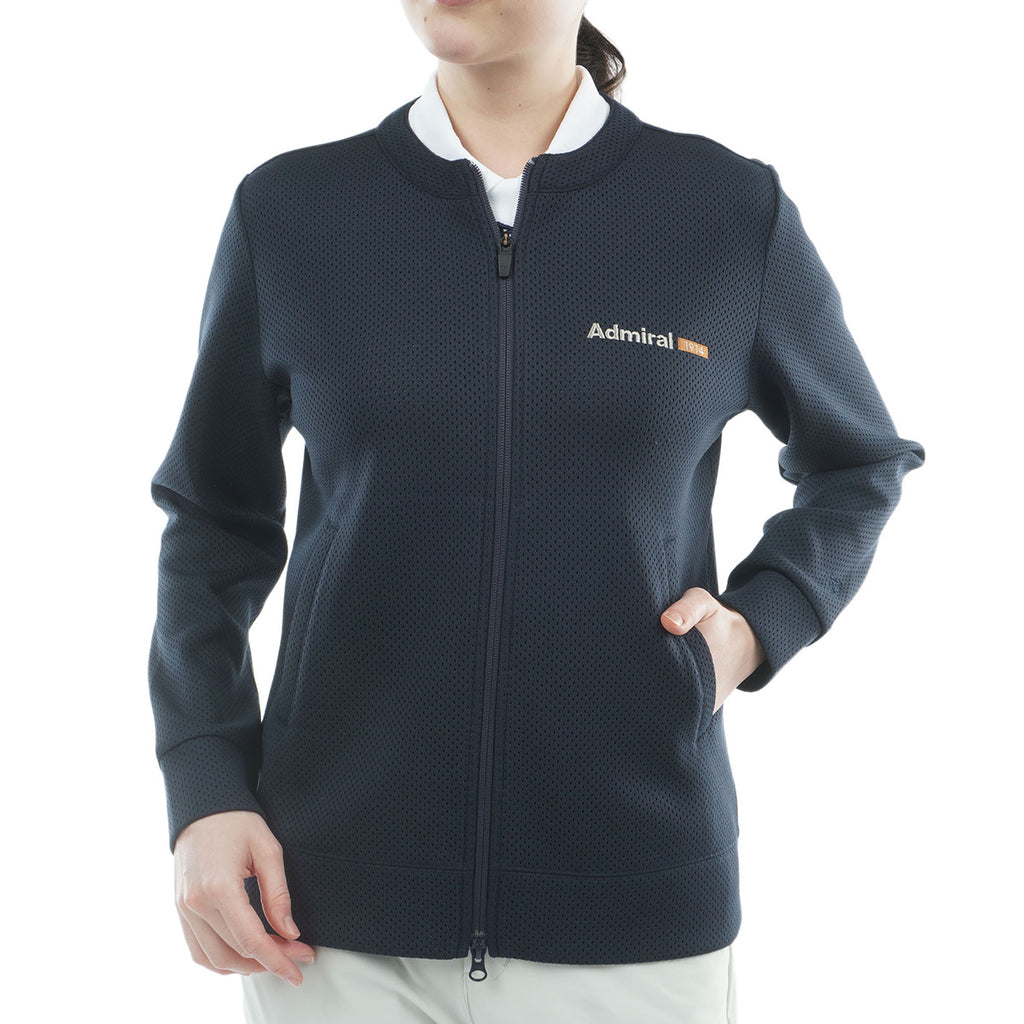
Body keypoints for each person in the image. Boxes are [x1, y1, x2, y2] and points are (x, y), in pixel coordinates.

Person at [147, 2, 926, 1022]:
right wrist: (205, 784)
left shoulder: (725, 212)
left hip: (633, 914)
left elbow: (859, 462)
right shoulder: (292, 211)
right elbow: (214, 520)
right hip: (329, 920)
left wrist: (752, 627)